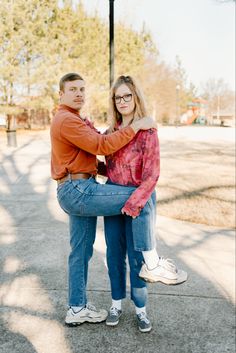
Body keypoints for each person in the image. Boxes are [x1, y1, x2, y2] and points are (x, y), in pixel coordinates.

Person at [50, 72, 157, 326]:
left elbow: (92, 159)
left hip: (76, 186)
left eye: (82, 89)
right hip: (78, 190)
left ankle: (76, 308)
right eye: (73, 89)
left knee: (81, 252)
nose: (79, 94)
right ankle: (153, 262)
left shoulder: (73, 119)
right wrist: (136, 126)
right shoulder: (67, 119)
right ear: (61, 94)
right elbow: (102, 146)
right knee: (142, 195)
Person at [104, 75, 188, 333]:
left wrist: (135, 203)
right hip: (112, 200)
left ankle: (140, 308)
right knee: (114, 255)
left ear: (136, 97)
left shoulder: (147, 131)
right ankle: (116, 303)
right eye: (118, 97)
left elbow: (152, 174)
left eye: (127, 95)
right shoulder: (110, 132)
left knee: (138, 257)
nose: (122, 101)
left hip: (139, 201)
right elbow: (110, 167)